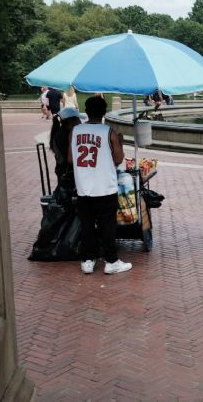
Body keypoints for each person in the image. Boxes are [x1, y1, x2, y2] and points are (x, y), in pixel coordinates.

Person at [69, 96, 132, 275]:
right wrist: (119, 142)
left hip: (83, 187)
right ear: (104, 112)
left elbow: (69, 158)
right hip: (105, 186)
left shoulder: (75, 131)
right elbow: (119, 159)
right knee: (107, 225)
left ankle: (87, 261)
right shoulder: (109, 132)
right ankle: (111, 261)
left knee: (87, 224)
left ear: (86, 111)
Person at [50, 107, 83, 188]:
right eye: (78, 119)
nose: (80, 122)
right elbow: (69, 158)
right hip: (67, 176)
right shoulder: (63, 135)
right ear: (69, 121)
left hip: (66, 173)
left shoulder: (65, 133)